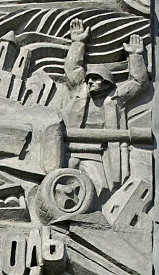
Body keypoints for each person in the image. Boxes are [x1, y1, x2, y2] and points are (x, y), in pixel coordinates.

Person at [62, 18, 149, 195]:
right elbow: (72, 69)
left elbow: (138, 82)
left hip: (97, 152)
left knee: (99, 187)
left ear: (107, 83)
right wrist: (78, 42)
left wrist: (135, 56)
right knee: (60, 179)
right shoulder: (80, 91)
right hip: (70, 148)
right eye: (90, 78)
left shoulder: (116, 98)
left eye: (96, 78)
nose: (91, 81)